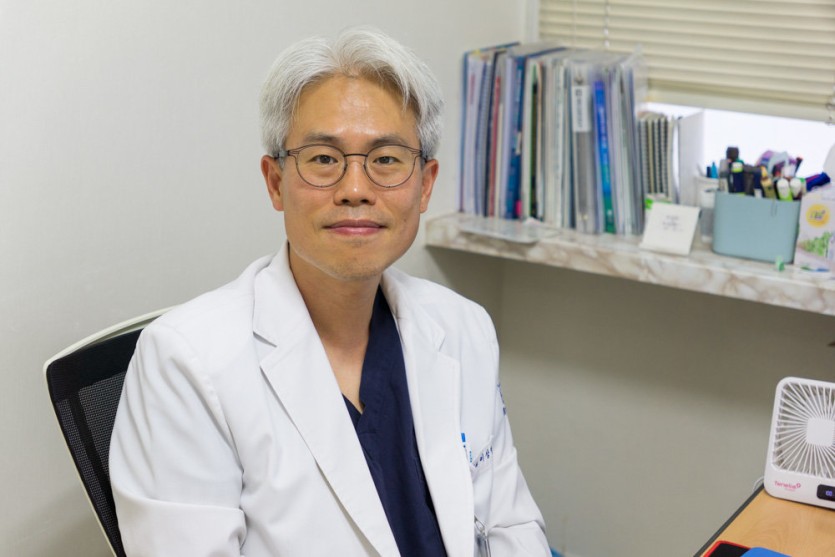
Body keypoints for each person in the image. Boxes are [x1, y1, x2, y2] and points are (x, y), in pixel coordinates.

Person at [109, 26, 549, 557]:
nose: (355, 189)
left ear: (426, 184)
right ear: (275, 182)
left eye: (386, 159)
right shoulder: (185, 361)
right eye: (323, 159)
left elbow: (510, 526)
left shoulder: (463, 327)